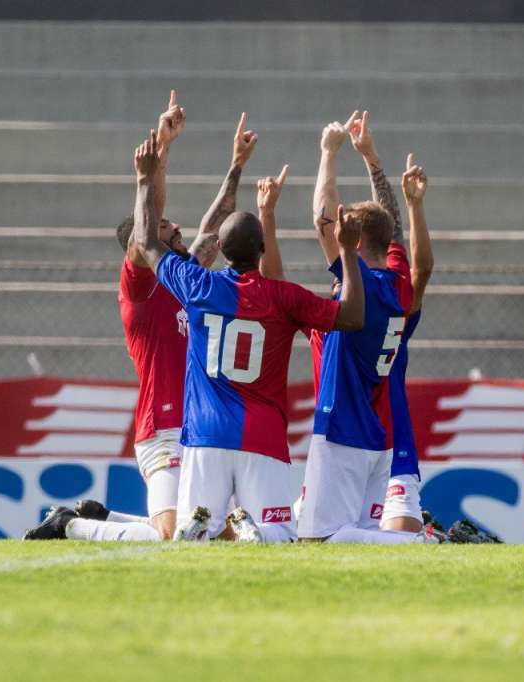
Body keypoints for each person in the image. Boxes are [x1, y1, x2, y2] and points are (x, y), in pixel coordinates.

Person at [24, 94, 258, 542]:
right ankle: (71, 525)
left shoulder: (183, 277)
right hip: (163, 424)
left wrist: (236, 164)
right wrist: (160, 157)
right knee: (175, 537)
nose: (175, 228)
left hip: (199, 425)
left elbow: (216, 224)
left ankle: (102, 516)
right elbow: (147, 225)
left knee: (214, 535)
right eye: (166, 224)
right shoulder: (140, 285)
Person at [131, 128, 366, 543]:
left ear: (220, 250)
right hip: (262, 436)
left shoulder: (199, 286)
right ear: (262, 249)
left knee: (192, 542)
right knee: (278, 539)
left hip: (204, 436)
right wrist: (347, 252)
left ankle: (220, 528)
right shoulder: (284, 297)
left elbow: (148, 242)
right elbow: (351, 317)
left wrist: (145, 180)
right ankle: (245, 527)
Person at [297, 112, 441, 544]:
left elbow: (323, 219)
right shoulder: (400, 286)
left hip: (344, 423)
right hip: (379, 429)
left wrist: (329, 153)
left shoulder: (354, 284)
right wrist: (378, 167)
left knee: (319, 538)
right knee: (357, 534)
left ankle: (424, 542)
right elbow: (416, 258)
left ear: (355, 244)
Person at [345, 112, 435, 534]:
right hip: (344, 441)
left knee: (396, 535)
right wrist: (374, 163)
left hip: (390, 444)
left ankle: (432, 538)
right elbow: (397, 238)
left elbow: (409, 257)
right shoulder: (351, 298)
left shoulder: (383, 296)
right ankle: (436, 537)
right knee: (321, 537)